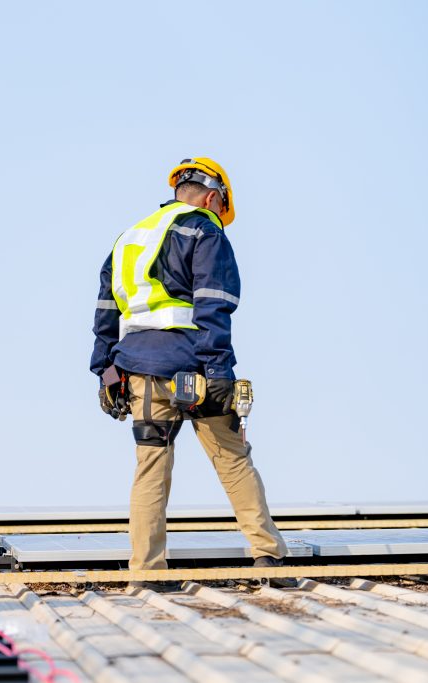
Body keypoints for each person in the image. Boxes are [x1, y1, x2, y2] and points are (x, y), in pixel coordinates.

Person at [90, 158, 288, 589]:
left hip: (138, 368)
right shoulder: (204, 228)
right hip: (195, 364)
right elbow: (214, 302)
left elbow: (105, 313)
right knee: (232, 458)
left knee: (151, 466)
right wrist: (218, 369)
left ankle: (146, 572)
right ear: (215, 197)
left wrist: (104, 371)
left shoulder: (129, 238)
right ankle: (268, 557)